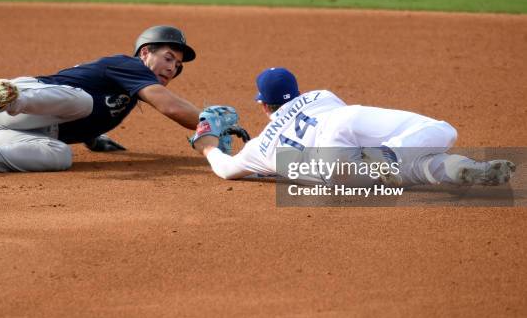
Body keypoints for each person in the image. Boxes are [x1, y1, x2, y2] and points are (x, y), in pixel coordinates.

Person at [0, 26, 204, 172]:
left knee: (60, 155)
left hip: (11, 130)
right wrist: (208, 124)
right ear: (144, 53)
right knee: (83, 102)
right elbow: (170, 106)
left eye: (178, 66)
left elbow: (99, 110)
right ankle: (5, 96)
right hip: (27, 102)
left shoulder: (130, 89)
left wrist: (93, 136)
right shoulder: (130, 66)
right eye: (169, 58)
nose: (173, 68)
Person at [191, 67, 516, 187]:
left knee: (412, 169)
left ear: (263, 105)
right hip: (341, 129)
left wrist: (207, 140)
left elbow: (225, 170)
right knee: (442, 132)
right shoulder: (321, 95)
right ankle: (392, 155)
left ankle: (466, 171)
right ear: (298, 91)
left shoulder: (257, 148)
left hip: (330, 173)